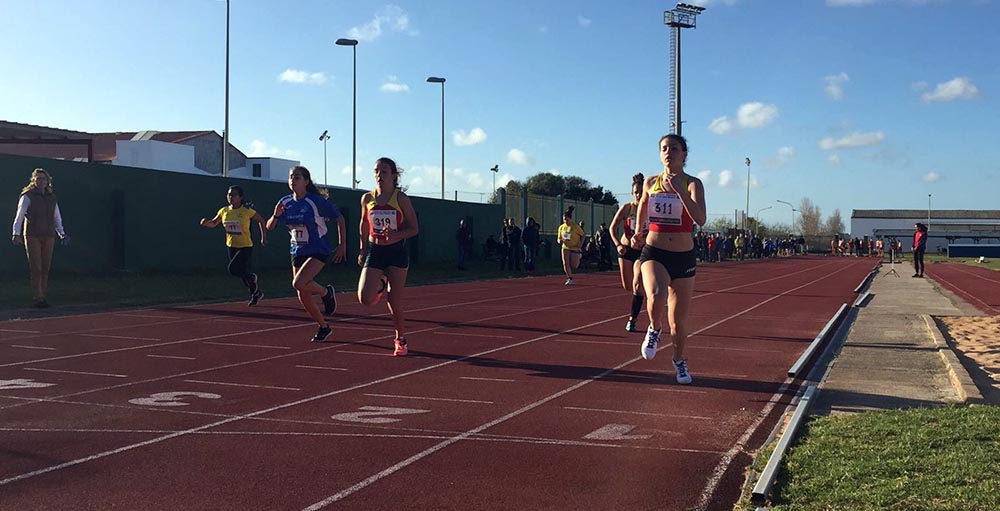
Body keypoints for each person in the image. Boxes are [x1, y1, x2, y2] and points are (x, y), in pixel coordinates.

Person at [631, 134, 707, 385]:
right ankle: (654, 328)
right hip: (655, 252)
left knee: (678, 322)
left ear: (684, 154)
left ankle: (678, 359)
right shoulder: (651, 182)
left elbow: (700, 219)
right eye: (664, 148)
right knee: (655, 295)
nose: (668, 152)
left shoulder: (693, 184)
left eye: (674, 148)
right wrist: (639, 231)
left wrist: (679, 192)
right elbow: (642, 204)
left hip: (684, 257)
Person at [266, 166, 345, 342]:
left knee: (299, 282)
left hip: (318, 249)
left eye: (297, 177)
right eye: (291, 177)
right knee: (302, 292)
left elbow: (339, 218)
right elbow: (269, 226)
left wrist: (342, 244)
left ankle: (325, 293)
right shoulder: (285, 202)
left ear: (306, 181)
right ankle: (323, 326)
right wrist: (276, 215)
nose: (293, 180)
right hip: (297, 250)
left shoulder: (315, 201)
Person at [357, 157, 420, 356]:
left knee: (394, 300)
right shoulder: (367, 198)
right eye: (376, 171)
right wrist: (362, 249)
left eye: (384, 172)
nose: (379, 176)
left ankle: (400, 339)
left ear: (394, 176)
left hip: (396, 251)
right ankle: (380, 284)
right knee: (365, 298)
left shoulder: (401, 199)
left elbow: (414, 229)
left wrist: (395, 234)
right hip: (376, 250)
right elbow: (364, 225)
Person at [199, 185, 267, 306]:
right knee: (242, 273)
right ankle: (255, 293)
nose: (230, 197)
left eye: (234, 195)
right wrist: (206, 223)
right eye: (229, 194)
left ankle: (252, 277)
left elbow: (261, 220)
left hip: (245, 246)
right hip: (231, 245)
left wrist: (263, 237)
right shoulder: (224, 211)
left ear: (240, 197)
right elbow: (214, 223)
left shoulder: (246, 211)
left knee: (233, 269)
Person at [11, 168, 69, 308]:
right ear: (34, 180)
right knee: (36, 266)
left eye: (43, 179)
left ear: (47, 181)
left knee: (45, 267)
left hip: (48, 235)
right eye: (38, 179)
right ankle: (38, 297)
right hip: (32, 235)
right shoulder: (27, 196)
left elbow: (56, 217)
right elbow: (19, 216)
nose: (41, 181)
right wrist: (16, 233)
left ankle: (43, 295)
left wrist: (61, 233)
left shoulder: (51, 197)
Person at [610, 172, 647, 332]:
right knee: (628, 286)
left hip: (642, 250)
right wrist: (618, 244)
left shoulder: (650, 209)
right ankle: (640, 292)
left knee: (637, 283)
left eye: (641, 192)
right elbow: (612, 228)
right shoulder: (626, 208)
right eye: (636, 192)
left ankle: (633, 319)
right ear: (632, 193)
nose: (639, 195)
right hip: (626, 250)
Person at [557, 206, 585, 285]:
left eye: (566, 219)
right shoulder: (561, 228)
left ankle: (579, 256)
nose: (565, 221)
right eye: (564, 219)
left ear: (570, 219)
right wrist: (560, 241)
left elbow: (583, 235)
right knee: (565, 263)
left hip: (575, 247)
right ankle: (570, 278)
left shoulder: (575, 227)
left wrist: (581, 243)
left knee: (574, 265)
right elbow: (558, 238)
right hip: (565, 247)